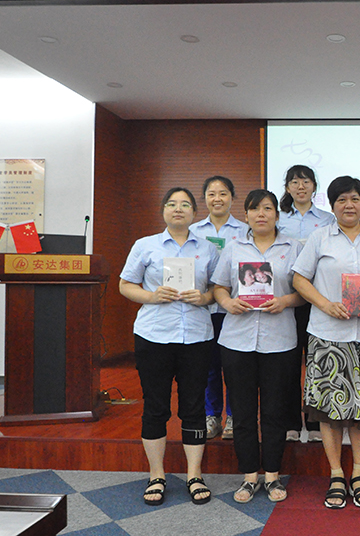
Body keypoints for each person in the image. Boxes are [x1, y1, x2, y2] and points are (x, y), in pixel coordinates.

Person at [292, 176, 360, 509]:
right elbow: (299, 278)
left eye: (354, 199)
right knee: (329, 410)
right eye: (341, 200)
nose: (349, 205)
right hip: (328, 335)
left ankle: (359, 474)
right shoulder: (320, 237)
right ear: (333, 205)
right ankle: (336, 473)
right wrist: (325, 304)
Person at [119, 187, 219, 506]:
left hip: (196, 337)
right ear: (163, 210)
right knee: (155, 405)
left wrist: (203, 297)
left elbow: (218, 289)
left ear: (194, 213)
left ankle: (194, 474)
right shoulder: (145, 245)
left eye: (185, 204)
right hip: (154, 336)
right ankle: (156, 475)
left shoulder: (208, 248)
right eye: (172, 204)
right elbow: (125, 285)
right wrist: (152, 296)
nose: (178, 209)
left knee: (194, 407)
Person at [212, 189, 303, 503]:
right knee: (243, 411)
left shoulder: (293, 248)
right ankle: (250, 475)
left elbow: (305, 292)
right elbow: (219, 286)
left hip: (280, 340)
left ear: (277, 214)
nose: (261, 214)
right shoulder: (234, 247)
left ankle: (273, 475)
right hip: (237, 339)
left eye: (267, 208)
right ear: (246, 215)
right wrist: (228, 302)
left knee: (275, 411)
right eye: (254, 209)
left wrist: (285, 301)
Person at [277, 165, 335, 443]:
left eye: (306, 181)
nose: (301, 187)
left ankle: (314, 421)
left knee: (317, 362)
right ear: (287, 187)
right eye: (295, 182)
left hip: (317, 297)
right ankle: (290, 421)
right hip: (284, 299)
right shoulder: (278, 219)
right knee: (288, 362)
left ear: (314, 186)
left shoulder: (328, 219)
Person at [190, 176, 248, 441]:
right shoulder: (193, 231)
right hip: (203, 310)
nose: (217, 199)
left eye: (223, 193)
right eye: (211, 194)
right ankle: (211, 415)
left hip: (234, 309)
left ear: (232, 198)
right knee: (208, 366)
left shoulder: (245, 230)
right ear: (204, 199)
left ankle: (235, 416)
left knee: (235, 367)